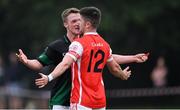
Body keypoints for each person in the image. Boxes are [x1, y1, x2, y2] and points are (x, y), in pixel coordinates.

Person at [17, 8, 148, 109]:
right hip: (61, 100)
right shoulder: (57, 46)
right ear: (65, 24)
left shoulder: (86, 43)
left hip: (82, 99)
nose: (78, 23)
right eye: (73, 21)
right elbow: (39, 63)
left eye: (79, 20)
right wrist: (27, 61)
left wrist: (133, 58)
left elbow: (109, 58)